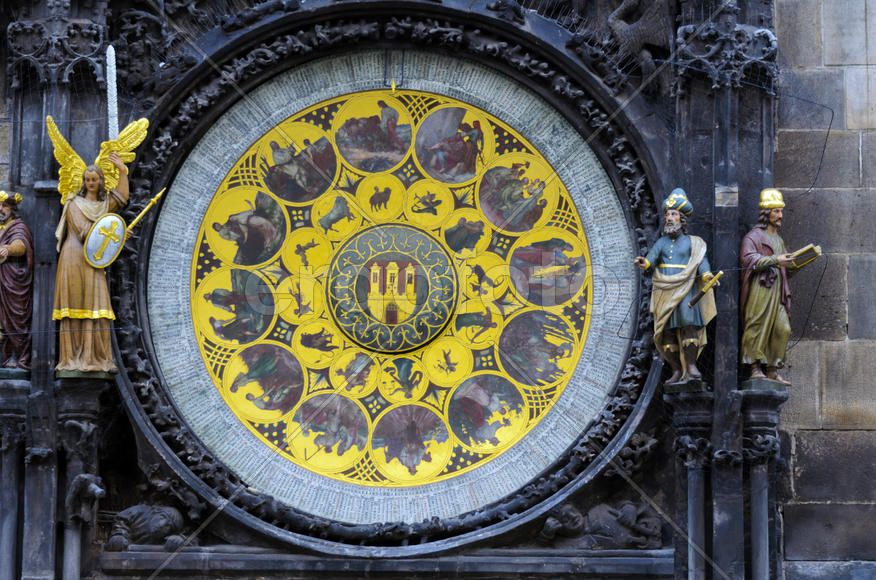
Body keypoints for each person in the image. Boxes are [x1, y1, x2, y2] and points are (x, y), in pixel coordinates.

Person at [53, 152, 129, 373]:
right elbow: (85, 232)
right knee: (75, 305)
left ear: (100, 180)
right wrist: (118, 233)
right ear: (83, 182)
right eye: (87, 180)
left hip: (94, 259)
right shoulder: (74, 203)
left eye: (94, 179)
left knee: (97, 305)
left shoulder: (104, 205)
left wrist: (122, 171)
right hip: (75, 257)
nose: (91, 183)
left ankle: (95, 357)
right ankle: (72, 359)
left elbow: (122, 198)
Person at [634, 189, 717, 383]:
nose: (669, 219)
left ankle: (691, 365)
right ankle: (676, 369)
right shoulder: (662, 243)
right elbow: (651, 260)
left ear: (682, 219)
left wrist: (706, 275)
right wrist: (643, 263)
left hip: (687, 290)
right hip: (664, 289)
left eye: (673, 215)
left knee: (689, 327)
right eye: (668, 215)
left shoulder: (692, 243)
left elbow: (700, 262)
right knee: (666, 331)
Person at [740, 188, 800, 384]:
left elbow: (784, 267)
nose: (780, 215)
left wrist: (797, 265)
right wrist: (776, 259)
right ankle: (755, 366)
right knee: (757, 324)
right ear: (767, 213)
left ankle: (773, 368)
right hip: (761, 289)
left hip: (778, 290)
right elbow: (748, 259)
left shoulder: (779, 240)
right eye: (776, 211)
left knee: (782, 328)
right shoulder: (754, 236)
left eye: (781, 211)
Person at [0, 191, 33, 369]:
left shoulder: (18, 226)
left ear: (12, 209)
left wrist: (9, 249)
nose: (0, 209)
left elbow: (21, 245)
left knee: (15, 319)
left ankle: (16, 356)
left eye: (4, 206)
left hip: (12, 282)